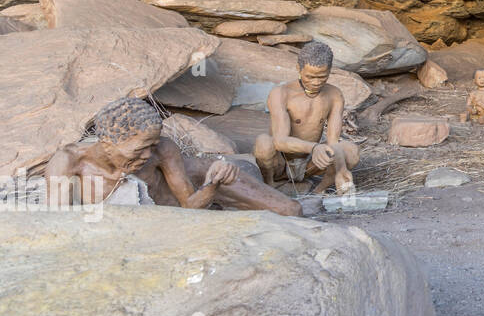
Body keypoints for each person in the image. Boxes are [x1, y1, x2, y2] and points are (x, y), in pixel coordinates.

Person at [45, 97, 302, 215]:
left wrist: (213, 183)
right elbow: (56, 227)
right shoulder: (69, 162)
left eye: (153, 145)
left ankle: (249, 171)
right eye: (140, 148)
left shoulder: (163, 149)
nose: (148, 154)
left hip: (206, 177)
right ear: (108, 143)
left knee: (291, 210)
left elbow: (190, 207)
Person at [253, 40, 359, 194]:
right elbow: (280, 141)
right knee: (263, 143)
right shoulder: (281, 93)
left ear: (330, 71)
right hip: (281, 163)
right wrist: (314, 147)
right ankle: (270, 186)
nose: (316, 82)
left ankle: (318, 191)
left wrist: (341, 169)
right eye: (310, 77)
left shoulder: (334, 95)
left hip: (312, 163)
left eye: (322, 77)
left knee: (350, 150)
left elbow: (334, 142)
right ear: (298, 68)